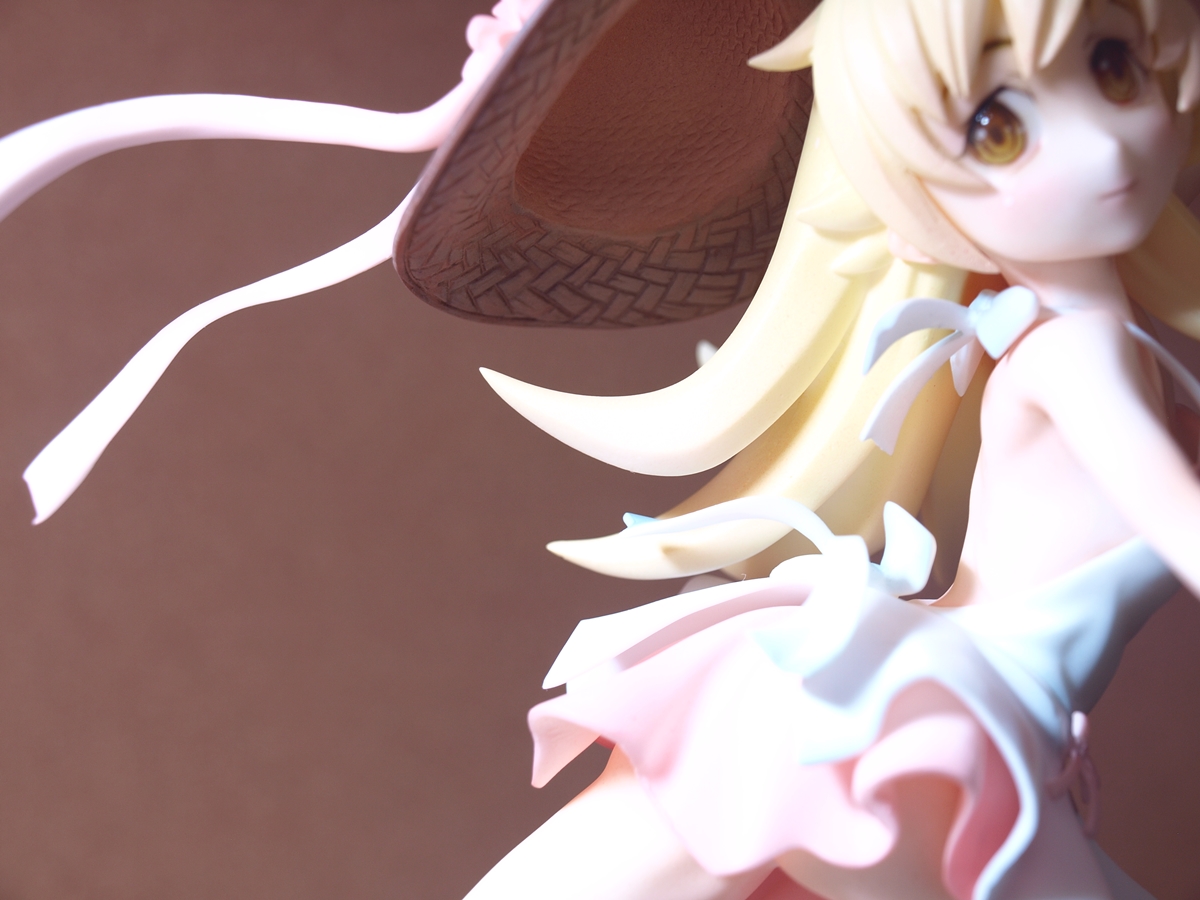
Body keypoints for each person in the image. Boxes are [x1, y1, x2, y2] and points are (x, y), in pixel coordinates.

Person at [1, 0, 1199, 897]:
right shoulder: (1073, 354)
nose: (1106, 149)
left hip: (992, 725)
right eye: (997, 127)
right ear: (909, 179)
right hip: (946, 710)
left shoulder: (1094, 339)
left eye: (1111, 66)